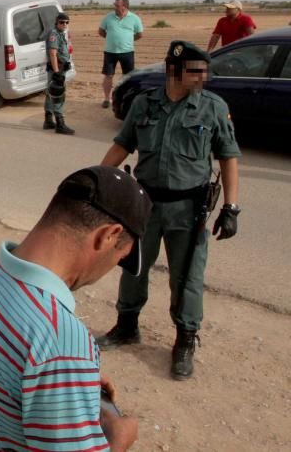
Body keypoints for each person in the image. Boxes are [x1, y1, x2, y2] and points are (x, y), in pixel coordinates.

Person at [0, 166, 148, 452]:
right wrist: (120, 438)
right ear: (108, 236)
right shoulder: (59, 338)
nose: (110, 270)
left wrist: (65, 387)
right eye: (120, 258)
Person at [97, 40, 241, 381]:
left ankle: (185, 340)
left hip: (188, 209)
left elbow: (228, 157)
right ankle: (127, 326)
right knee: (133, 267)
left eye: (205, 70)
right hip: (144, 205)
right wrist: (99, 184)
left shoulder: (213, 108)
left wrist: (232, 207)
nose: (204, 76)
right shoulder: (144, 104)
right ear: (174, 70)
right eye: (196, 71)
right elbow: (122, 145)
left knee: (187, 278)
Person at [99, 0, 144, 109]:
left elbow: (139, 34)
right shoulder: (108, 17)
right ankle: (106, 99)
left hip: (127, 52)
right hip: (110, 52)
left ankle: (126, 97)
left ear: (124, 6)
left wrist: (127, 41)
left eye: (117, 5)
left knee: (128, 76)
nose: (115, 7)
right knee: (108, 75)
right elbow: (101, 31)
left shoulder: (134, 18)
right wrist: (112, 40)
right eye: (115, 5)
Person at [43, 12, 75, 135]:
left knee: (50, 93)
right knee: (57, 94)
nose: (65, 24)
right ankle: (60, 124)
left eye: (67, 22)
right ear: (57, 22)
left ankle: (48, 120)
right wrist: (57, 72)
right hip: (56, 69)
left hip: (60, 67)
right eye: (62, 22)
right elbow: (52, 53)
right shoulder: (54, 34)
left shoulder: (62, 34)